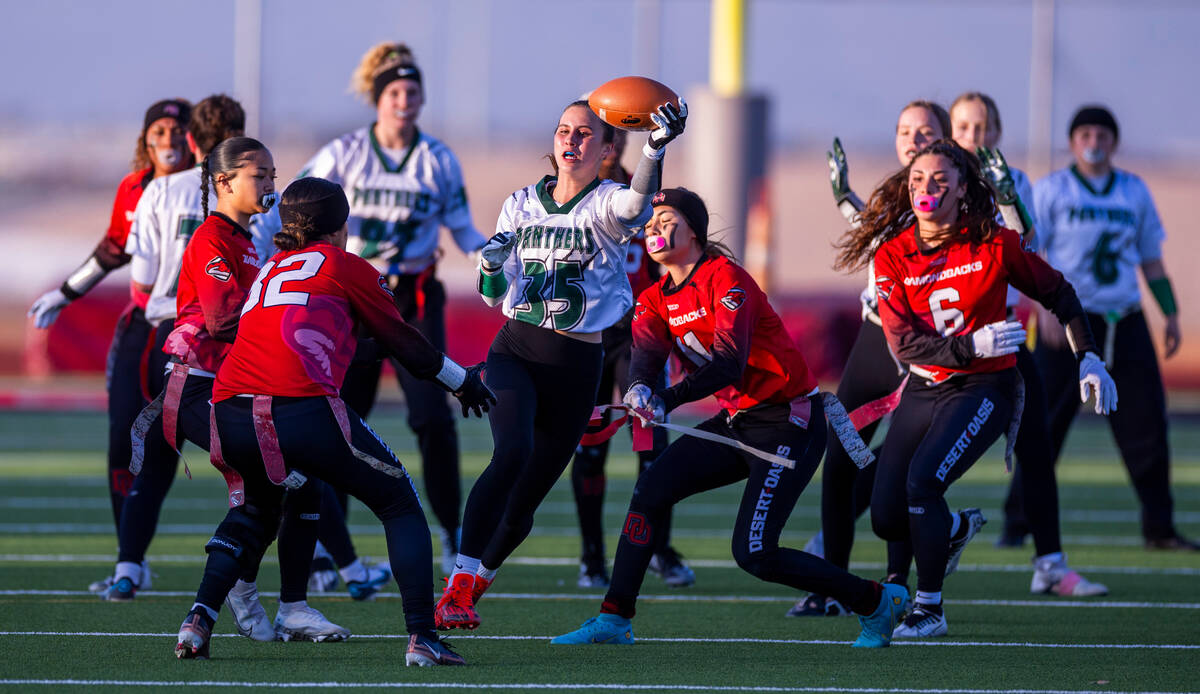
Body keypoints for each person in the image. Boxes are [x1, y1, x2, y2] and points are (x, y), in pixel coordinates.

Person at [551, 187, 907, 648]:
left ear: (694, 230)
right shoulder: (655, 297)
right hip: (738, 421)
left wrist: (668, 398)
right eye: (651, 223)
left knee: (754, 552)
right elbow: (645, 354)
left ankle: (876, 600)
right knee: (651, 490)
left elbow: (728, 362)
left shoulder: (726, 277)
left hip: (788, 423)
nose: (655, 229)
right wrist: (640, 388)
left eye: (666, 219)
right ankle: (615, 618)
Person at [174, 176, 494, 665]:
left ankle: (198, 619)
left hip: (232, 407)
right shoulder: (347, 267)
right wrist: (461, 381)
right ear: (342, 226)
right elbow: (406, 344)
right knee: (398, 502)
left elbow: (333, 337)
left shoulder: (267, 270)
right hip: (298, 405)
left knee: (256, 511)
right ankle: (422, 637)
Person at [836, 138, 1117, 638]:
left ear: (963, 187)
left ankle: (930, 608)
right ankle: (953, 530)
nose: (928, 189)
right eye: (919, 180)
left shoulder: (993, 242)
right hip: (926, 385)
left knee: (923, 483)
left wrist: (1088, 355)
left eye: (941, 180)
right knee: (884, 516)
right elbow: (905, 345)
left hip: (985, 388)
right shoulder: (894, 255)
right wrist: (971, 343)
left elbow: (1060, 293)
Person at [433, 96, 687, 631]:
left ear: (606, 148)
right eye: (564, 131)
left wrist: (655, 148)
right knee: (513, 452)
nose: (571, 141)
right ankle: (455, 584)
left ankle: (476, 583)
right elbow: (491, 294)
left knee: (526, 500)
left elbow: (637, 204)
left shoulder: (610, 200)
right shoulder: (520, 203)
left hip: (579, 365)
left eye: (584, 134)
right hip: (516, 349)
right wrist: (489, 266)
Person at [297, 42, 487, 573]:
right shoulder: (345, 153)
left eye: (413, 91)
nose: (405, 100)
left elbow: (464, 228)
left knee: (433, 420)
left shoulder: (437, 158)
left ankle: (453, 538)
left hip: (412, 295)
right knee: (333, 416)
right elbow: (297, 204)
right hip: (351, 297)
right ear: (378, 99)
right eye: (395, 91)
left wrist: (495, 256)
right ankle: (322, 543)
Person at [98, 95, 279, 602]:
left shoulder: (162, 192)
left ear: (193, 140)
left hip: (162, 336)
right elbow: (229, 310)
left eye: (269, 175)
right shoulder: (233, 220)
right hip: (211, 358)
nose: (267, 184)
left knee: (152, 459)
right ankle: (283, 584)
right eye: (260, 173)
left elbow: (140, 281)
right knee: (278, 461)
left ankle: (129, 567)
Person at [790, 100, 951, 617]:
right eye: (905, 130)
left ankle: (897, 584)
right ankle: (833, 584)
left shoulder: (958, 197)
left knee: (904, 472)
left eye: (925, 130)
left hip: (923, 350)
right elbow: (873, 228)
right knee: (838, 461)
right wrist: (843, 195)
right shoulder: (892, 192)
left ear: (946, 140)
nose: (913, 138)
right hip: (875, 337)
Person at [27, 98, 193, 594]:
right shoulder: (134, 188)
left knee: (199, 443)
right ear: (145, 139)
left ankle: (315, 557)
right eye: (159, 131)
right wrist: (66, 292)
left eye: (178, 130)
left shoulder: (214, 186)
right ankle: (129, 562)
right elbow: (113, 247)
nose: (168, 140)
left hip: (195, 331)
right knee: (123, 434)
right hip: (144, 325)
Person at [950, 92, 1107, 595]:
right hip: (947, 339)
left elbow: (1028, 242)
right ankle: (847, 544)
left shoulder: (1013, 180)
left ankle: (1051, 564)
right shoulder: (937, 177)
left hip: (1008, 330)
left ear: (996, 132)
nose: (974, 136)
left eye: (982, 126)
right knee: (914, 460)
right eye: (964, 127)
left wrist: (1006, 194)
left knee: (1037, 447)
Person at [1028, 105, 1195, 551]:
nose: (1093, 141)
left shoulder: (1133, 191)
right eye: (1084, 132)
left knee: (1147, 423)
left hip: (1124, 319)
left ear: (1114, 142)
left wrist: (1171, 312)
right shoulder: (1051, 190)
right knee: (1040, 425)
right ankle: (1017, 523)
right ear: (1072, 141)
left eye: (1102, 133)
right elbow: (1029, 256)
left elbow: (1151, 257)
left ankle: (1159, 527)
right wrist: (1041, 308)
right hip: (1066, 319)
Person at [568, 126, 694, 589]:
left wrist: (677, 327)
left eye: (619, 134)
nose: (614, 143)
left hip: (640, 332)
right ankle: (592, 558)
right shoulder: (566, 196)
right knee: (589, 447)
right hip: (586, 333)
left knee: (651, 439)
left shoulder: (646, 195)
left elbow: (675, 258)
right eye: (604, 133)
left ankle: (658, 548)